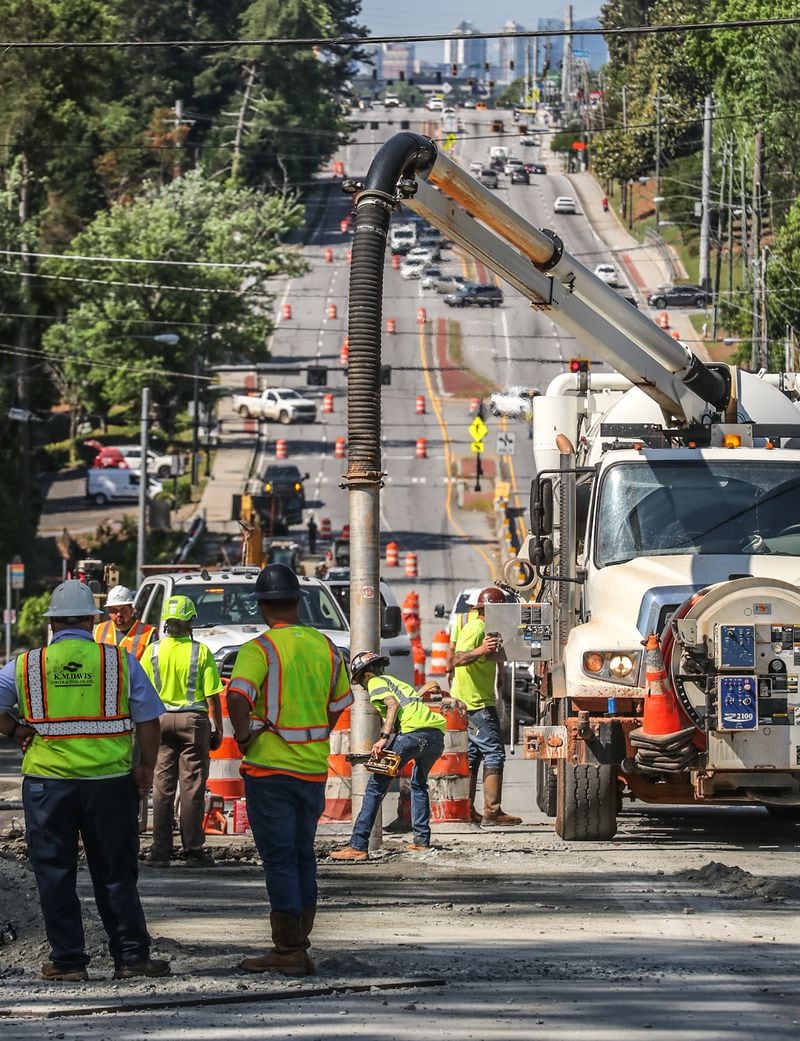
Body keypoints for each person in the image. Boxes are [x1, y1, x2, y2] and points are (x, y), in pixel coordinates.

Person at [0, 580, 169, 982]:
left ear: (53, 623)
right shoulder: (118, 661)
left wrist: (14, 730)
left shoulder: (25, 665)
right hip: (109, 784)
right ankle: (131, 958)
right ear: (93, 621)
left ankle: (68, 962)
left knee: (54, 873)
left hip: (47, 786)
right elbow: (148, 719)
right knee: (115, 871)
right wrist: (145, 767)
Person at [226, 564, 352, 976]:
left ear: (262, 607)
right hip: (313, 771)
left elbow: (238, 697)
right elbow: (337, 707)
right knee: (302, 858)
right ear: (297, 602)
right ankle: (298, 943)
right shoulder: (327, 648)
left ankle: (289, 950)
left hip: (269, 770)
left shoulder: (258, 650)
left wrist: (245, 737)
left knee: (279, 861)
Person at [330, 654, 447, 862]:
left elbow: (392, 705)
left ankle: (358, 845)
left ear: (367, 674)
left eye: (361, 681)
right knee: (419, 785)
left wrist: (383, 738)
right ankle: (421, 841)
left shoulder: (375, 682)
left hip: (411, 735)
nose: (364, 688)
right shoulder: (396, 682)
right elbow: (408, 705)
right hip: (435, 736)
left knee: (374, 788)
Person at [140, 595, 224, 868]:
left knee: (162, 788)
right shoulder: (200, 651)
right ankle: (193, 850)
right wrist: (218, 727)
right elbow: (212, 694)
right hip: (193, 722)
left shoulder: (152, 651)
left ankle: (160, 851)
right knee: (192, 788)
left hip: (159, 721)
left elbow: (140, 691)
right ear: (190, 622)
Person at [451, 586, 522, 827]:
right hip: (476, 702)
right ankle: (492, 811)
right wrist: (482, 650)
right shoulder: (477, 628)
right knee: (494, 752)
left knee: (472, 756)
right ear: (491, 610)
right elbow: (456, 659)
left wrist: (499, 668)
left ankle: (467, 809)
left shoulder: (481, 627)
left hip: (470, 700)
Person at [94, 585, 157, 661]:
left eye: (123, 609)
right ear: (109, 612)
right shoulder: (100, 630)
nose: (119, 614)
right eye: (114, 610)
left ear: (132, 609)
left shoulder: (148, 633)